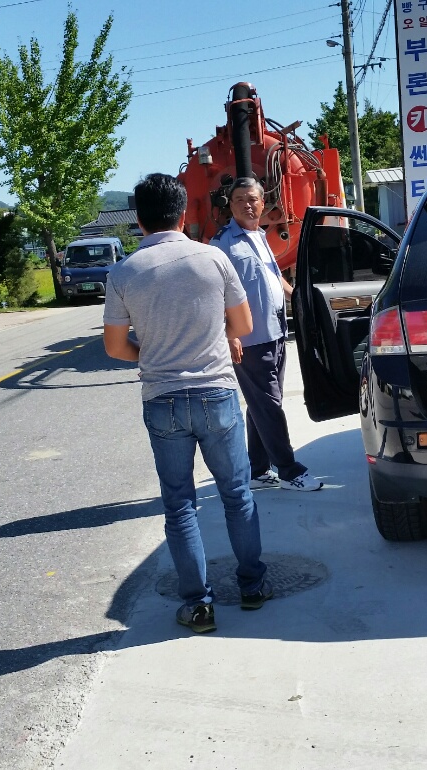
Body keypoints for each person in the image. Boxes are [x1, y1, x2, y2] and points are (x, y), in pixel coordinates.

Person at [103, 173, 273, 634]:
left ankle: (198, 605)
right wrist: (217, 339)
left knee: (180, 506)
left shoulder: (122, 273)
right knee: (236, 494)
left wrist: (153, 354)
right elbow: (244, 324)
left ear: (139, 220)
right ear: (182, 215)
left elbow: (115, 347)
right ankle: (253, 586)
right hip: (217, 392)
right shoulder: (213, 258)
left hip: (163, 399)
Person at [211, 176, 323, 492]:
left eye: (252, 199)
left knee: (262, 404)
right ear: (230, 205)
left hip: (275, 332)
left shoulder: (260, 236)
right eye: (239, 200)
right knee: (269, 405)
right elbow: (214, 293)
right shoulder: (222, 244)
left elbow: (274, 278)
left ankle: (258, 470)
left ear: (263, 203)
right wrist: (229, 334)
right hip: (249, 339)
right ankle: (289, 471)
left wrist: (300, 298)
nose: (247, 205)